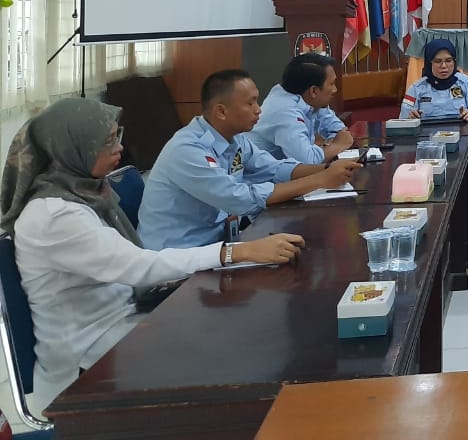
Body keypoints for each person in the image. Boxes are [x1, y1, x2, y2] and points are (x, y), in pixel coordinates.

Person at [0, 99, 304, 413]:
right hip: (88, 359)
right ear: (71, 149)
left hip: (124, 320)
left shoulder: (83, 191)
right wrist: (236, 251)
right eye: (107, 141)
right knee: (232, 351)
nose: (119, 147)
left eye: (118, 136)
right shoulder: (54, 215)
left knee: (234, 329)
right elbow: (137, 266)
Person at [138, 69, 360, 250]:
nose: (258, 110)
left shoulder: (235, 138)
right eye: (250, 103)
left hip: (219, 246)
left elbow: (274, 169)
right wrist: (320, 180)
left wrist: (328, 168)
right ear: (221, 111)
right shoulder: (188, 150)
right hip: (179, 261)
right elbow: (240, 199)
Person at [246, 53, 354, 163]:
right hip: (256, 173)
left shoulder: (310, 99)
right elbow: (308, 162)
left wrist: (332, 145)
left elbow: (340, 131)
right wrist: (337, 145)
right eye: (331, 84)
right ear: (313, 91)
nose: (335, 90)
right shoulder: (285, 112)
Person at [401, 38, 468, 123]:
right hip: (427, 132)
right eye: (438, 61)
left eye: (448, 61)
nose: (443, 66)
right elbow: (403, 121)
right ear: (429, 63)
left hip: (461, 131)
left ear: (454, 62)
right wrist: (410, 119)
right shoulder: (415, 89)